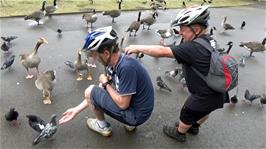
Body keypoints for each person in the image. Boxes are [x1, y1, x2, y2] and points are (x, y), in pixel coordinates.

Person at [124, 5, 228, 142]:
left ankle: (180, 133)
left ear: (196, 29)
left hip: (205, 94)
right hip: (218, 90)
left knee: (187, 111)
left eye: (183, 29)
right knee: (204, 110)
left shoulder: (192, 47)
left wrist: (136, 47)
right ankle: (194, 126)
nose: (180, 33)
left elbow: (162, 51)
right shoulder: (210, 40)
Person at [59, 26, 154, 137]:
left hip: (137, 115)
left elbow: (122, 104)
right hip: (137, 107)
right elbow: (98, 92)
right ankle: (130, 125)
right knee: (95, 91)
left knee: (89, 90)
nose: (94, 59)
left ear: (106, 53)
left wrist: (106, 83)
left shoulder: (127, 67)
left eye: (95, 55)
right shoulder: (115, 63)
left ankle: (102, 126)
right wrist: (76, 110)